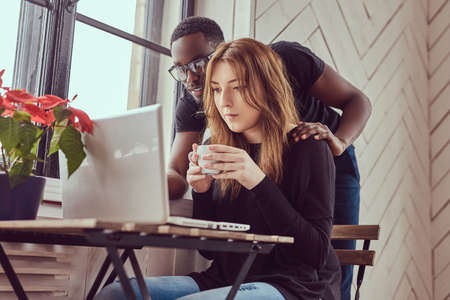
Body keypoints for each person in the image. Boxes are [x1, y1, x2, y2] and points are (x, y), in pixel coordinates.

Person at [96, 37, 340, 300]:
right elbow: (210, 252)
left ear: (269, 88)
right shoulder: (216, 146)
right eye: (216, 89)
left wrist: (257, 180)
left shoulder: (308, 147)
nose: (225, 101)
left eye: (238, 87)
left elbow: (315, 252)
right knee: (117, 293)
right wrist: (201, 191)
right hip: (225, 278)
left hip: (294, 286)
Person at [167, 17, 371, 300]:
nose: (190, 78)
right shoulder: (195, 101)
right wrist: (197, 188)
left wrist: (339, 142)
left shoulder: (286, 59)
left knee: (332, 260)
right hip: (256, 160)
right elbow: (176, 172)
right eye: (181, 69)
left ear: (221, 50)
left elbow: (357, 100)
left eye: (198, 65)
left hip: (324, 151)